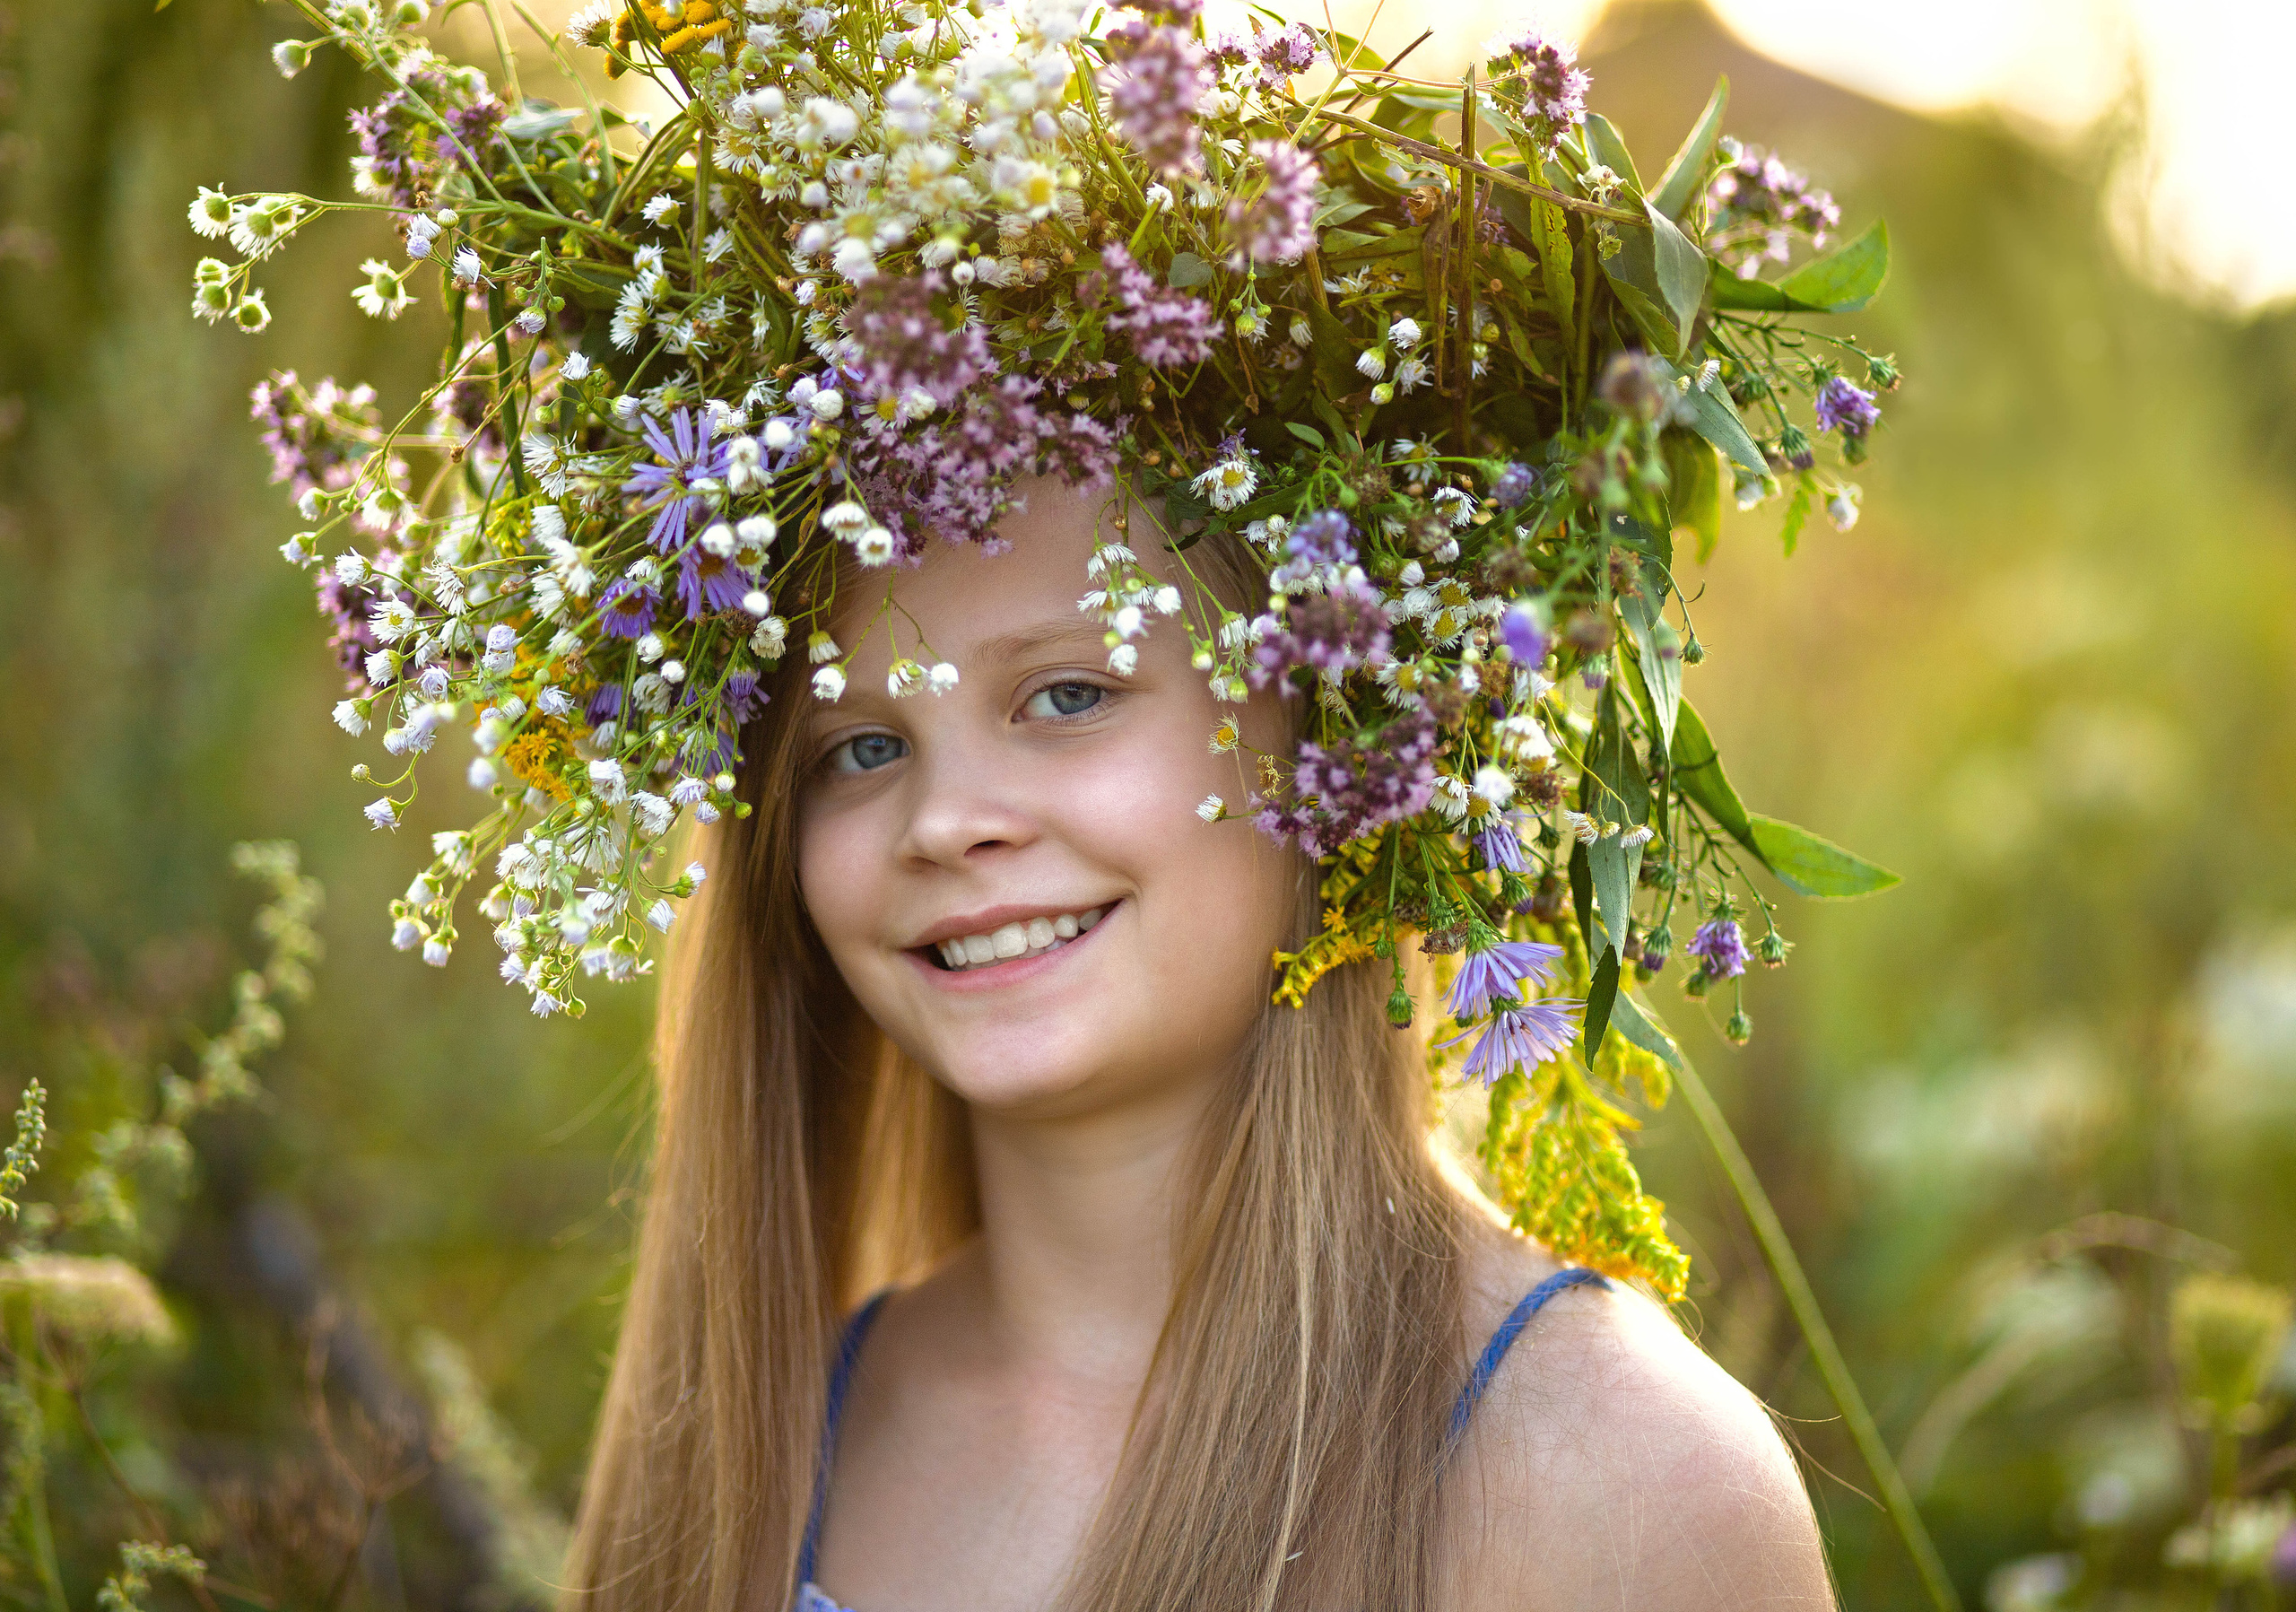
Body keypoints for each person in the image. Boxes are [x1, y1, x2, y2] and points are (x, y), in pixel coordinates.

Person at [562, 477, 1837, 1611]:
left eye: (1069, 692)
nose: (945, 821)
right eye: (862, 746)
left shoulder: (1623, 1479)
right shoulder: (756, 1443)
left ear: (1339, 730)